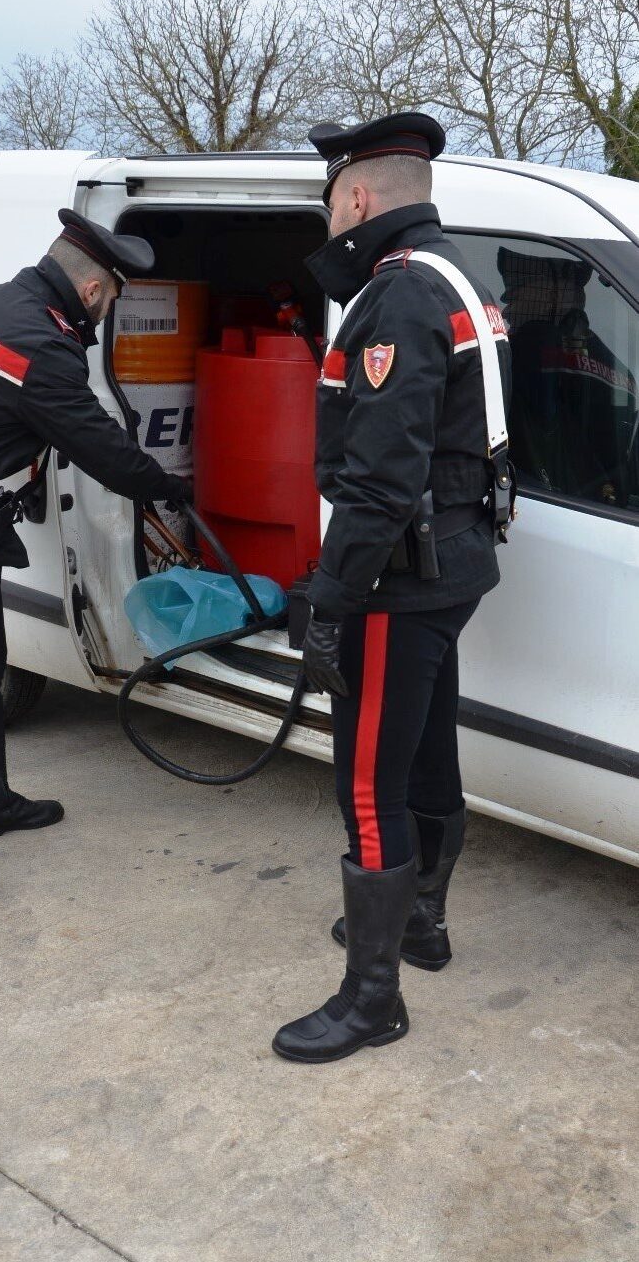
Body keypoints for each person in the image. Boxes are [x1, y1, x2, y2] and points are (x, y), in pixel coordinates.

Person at [272, 113, 513, 1063]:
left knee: (368, 782)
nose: (331, 219)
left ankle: (372, 1001)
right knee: (427, 750)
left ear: (358, 197)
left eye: (333, 200)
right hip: (454, 565)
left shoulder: (399, 299)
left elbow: (378, 478)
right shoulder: (464, 274)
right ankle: (422, 922)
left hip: (397, 579)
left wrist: (330, 596)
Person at [0, 209, 190, 905]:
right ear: (90, 292)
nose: (106, 312)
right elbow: (101, 449)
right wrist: (168, 485)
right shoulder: (42, 347)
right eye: (110, 299)